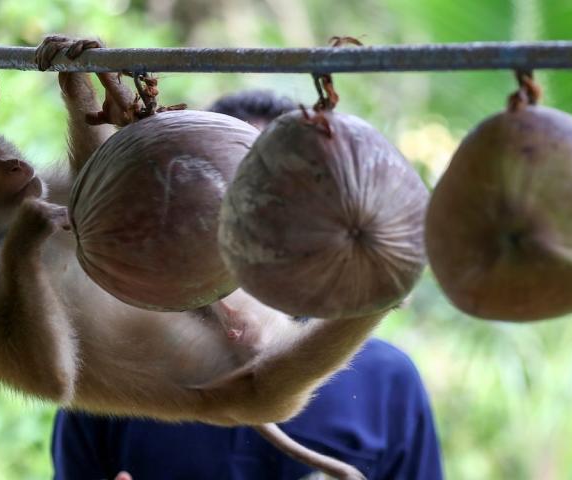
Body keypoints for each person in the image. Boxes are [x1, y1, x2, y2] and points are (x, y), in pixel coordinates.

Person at [50, 90, 444, 480]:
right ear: (179, 205)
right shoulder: (122, 355)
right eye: (231, 199)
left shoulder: (387, 381)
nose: (256, 224)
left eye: (277, 200)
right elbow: (96, 215)